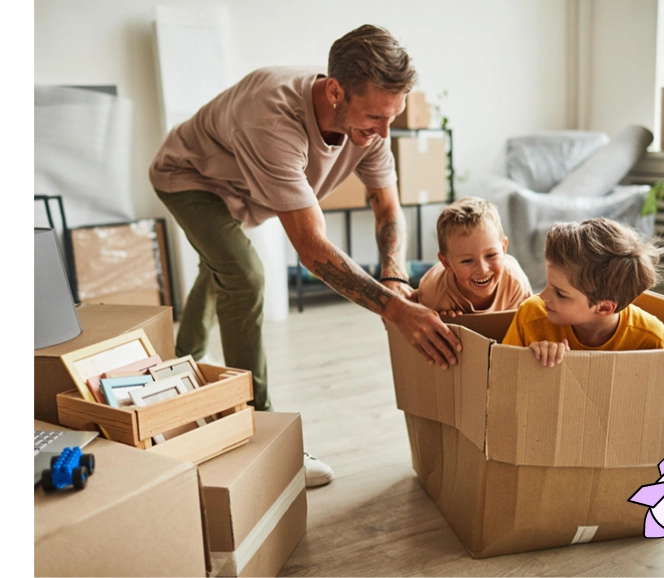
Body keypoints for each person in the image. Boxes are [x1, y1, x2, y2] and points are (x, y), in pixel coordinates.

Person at [148, 24, 461, 487]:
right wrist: (397, 311)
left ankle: (178, 363)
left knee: (222, 268)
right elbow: (313, 251)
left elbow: (387, 208)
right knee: (244, 276)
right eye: (375, 117)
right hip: (191, 176)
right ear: (336, 90)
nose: (382, 132)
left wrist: (394, 277)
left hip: (245, 188)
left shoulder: (370, 124)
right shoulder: (272, 119)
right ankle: (260, 431)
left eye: (391, 118)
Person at [501, 218, 664, 367]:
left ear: (603, 307)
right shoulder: (531, 314)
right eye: (548, 284)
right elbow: (499, 374)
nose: (543, 296)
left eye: (561, 293)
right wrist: (528, 359)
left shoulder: (649, 337)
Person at [414, 197, 532, 315]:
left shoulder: (515, 282)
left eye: (491, 255)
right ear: (447, 263)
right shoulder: (433, 295)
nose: (482, 269)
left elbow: (530, 325)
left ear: (503, 248)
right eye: (467, 261)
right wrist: (444, 323)